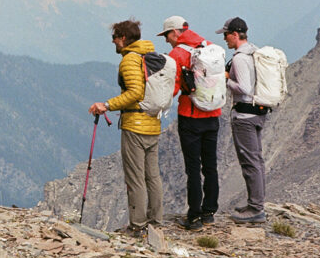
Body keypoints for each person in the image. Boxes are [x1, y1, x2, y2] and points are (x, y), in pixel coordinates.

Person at [88, 18, 163, 234]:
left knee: (135, 177)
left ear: (122, 38)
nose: (112, 42)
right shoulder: (150, 56)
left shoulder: (130, 59)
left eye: (114, 38)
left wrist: (107, 105)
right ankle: (156, 221)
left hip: (135, 124)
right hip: (153, 123)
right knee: (152, 175)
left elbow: (135, 93)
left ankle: (137, 225)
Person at [158, 15, 222, 231]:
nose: (166, 40)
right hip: (213, 113)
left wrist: (158, 105)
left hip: (191, 115)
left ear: (176, 32)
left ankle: (193, 216)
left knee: (193, 168)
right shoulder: (210, 47)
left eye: (167, 35)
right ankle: (209, 212)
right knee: (210, 165)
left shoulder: (177, 54)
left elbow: (173, 87)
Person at [216, 16, 268, 224]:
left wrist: (226, 79)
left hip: (244, 116)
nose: (225, 39)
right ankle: (255, 203)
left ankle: (255, 209)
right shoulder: (253, 52)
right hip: (257, 113)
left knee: (249, 161)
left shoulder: (239, 58)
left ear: (235, 35)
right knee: (256, 160)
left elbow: (244, 88)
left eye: (226, 35)